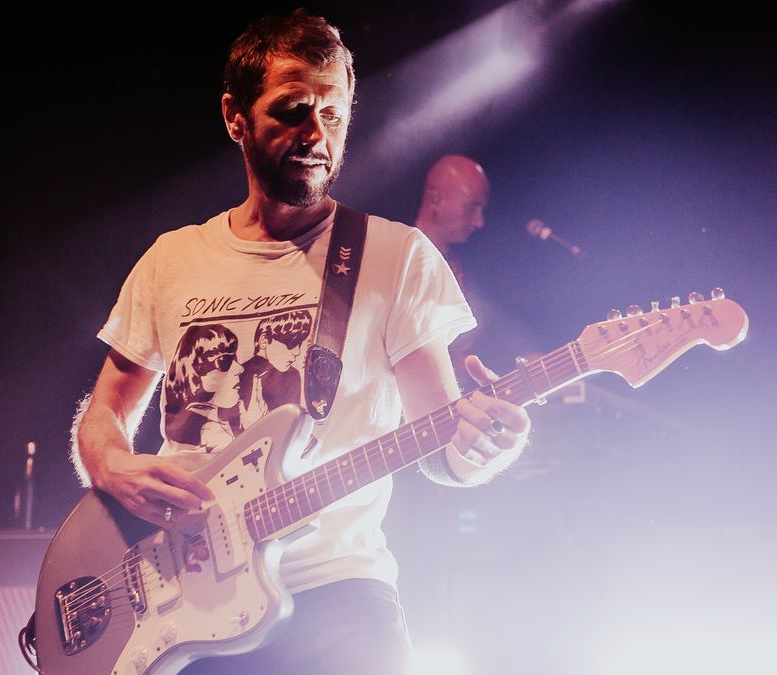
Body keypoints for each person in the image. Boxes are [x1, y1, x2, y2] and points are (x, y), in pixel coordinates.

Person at [71, 11, 530, 674]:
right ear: (235, 116)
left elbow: (441, 443)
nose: (317, 134)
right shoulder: (172, 260)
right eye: (293, 110)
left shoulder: (394, 256)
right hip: (184, 596)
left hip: (338, 595)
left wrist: (485, 447)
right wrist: (114, 467)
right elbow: (104, 415)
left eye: (334, 113)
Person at [412, 154, 490, 287]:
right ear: (435, 200)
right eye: (471, 208)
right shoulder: (398, 260)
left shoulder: (468, 269)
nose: (479, 222)